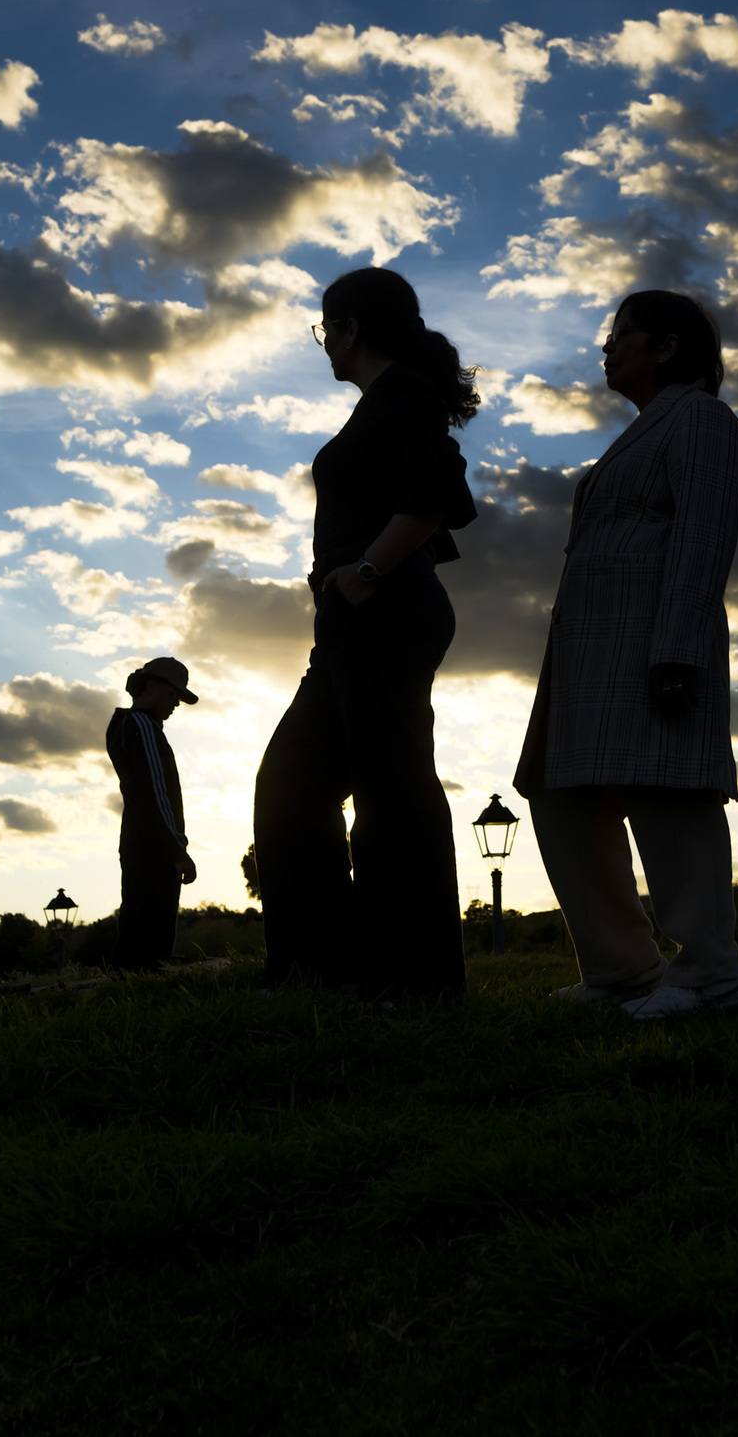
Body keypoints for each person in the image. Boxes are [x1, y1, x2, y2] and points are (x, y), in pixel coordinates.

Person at [518, 290, 738, 1020]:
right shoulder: (647, 428)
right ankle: (621, 967)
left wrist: (678, 647)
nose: (607, 348)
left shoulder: (702, 417)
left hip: (651, 636)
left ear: (669, 346)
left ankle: (710, 971)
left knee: (667, 788)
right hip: (587, 645)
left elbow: (704, 533)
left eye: (622, 335)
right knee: (560, 793)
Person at [251, 266, 481, 997]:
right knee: (292, 783)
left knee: (393, 791)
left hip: (385, 611)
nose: (325, 344)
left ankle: (414, 980)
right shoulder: (385, 400)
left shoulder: (404, 394)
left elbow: (438, 494)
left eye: (327, 328)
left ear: (352, 328)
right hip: (354, 623)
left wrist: (367, 571)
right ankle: (318, 969)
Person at [104, 657, 200, 969]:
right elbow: (155, 794)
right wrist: (178, 849)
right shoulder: (142, 726)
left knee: (138, 930)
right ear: (151, 686)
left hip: (141, 842)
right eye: (173, 694)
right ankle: (135, 996)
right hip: (153, 847)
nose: (176, 703)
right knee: (149, 940)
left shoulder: (130, 726)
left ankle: (129, 993)